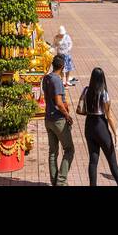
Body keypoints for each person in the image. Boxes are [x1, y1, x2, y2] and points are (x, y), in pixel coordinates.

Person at [76, 67, 118, 186]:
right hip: (101, 126)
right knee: (112, 161)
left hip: (89, 126)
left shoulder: (86, 90)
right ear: (102, 79)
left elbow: (79, 108)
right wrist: (116, 134)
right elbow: (109, 116)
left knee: (93, 161)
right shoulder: (104, 93)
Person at [41, 54, 75, 186]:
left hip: (48, 119)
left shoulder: (46, 78)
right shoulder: (57, 80)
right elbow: (59, 102)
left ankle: (54, 181)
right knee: (69, 150)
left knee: (53, 152)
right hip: (58, 120)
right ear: (62, 66)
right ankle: (61, 181)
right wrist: (67, 115)